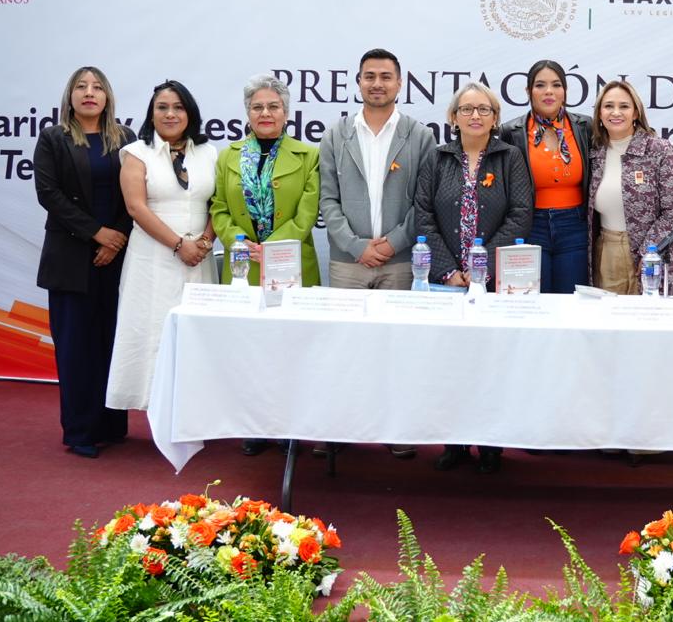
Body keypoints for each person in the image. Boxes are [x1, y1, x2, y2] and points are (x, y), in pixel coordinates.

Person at [319, 48, 434, 460]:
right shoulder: (336, 135)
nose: (378, 84)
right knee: (345, 347)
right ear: (358, 82)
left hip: (401, 262)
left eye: (386, 77)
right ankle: (341, 430)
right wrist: (355, 245)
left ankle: (397, 429)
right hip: (348, 261)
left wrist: (392, 243)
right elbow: (327, 200)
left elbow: (425, 201)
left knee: (397, 348)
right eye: (370, 77)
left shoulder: (419, 135)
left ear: (400, 83)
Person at [414, 81, 532, 474]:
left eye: (484, 109)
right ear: (453, 117)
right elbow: (424, 216)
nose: (476, 116)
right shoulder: (437, 157)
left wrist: (482, 270)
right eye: (467, 109)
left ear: (496, 118)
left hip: (493, 281)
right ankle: (455, 441)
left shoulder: (510, 157)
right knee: (449, 363)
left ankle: (491, 442)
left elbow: (520, 214)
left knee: (493, 361)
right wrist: (449, 271)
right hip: (445, 281)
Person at [211, 74, 321, 457]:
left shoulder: (309, 155)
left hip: (290, 265)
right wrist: (239, 242)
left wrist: (270, 248)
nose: (265, 112)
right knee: (250, 348)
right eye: (257, 106)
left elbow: (307, 215)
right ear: (247, 113)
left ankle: (292, 424)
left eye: (273, 106)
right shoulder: (227, 157)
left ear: (286, 112)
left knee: (292, 346)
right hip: (242, 266)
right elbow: (219, 210)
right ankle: (255, 424)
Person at [33, 67, 136, 458]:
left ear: (108, 96)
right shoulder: (53, 138)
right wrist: (98, 234)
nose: (89, 92)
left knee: (110, 342)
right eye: (81, 86)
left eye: (97, 87)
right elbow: (49, 195)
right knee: (76, 347)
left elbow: (137, 195)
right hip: (70, 258)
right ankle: (79, 431)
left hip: (117, 257)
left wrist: (117, 236)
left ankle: (111, 424)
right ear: (70, 96)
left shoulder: (125, 139)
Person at [106, 80, 217, 411]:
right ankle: (154, 410)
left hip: (200, 258)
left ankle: (192, 412)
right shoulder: (135, 153)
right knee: (151, 330)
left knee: (195, 334)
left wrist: (206, 241)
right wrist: (178, 244)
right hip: (152, 258)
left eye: (178, 107)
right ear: (151, 114)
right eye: (162, 107)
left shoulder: (209, 153)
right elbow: (136, 208)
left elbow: (219, 203)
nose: (170, 114)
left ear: (190, 113)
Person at [499, 59, 593, 293]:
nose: (549, 91)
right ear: (529, 91)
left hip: (575, 226)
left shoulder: (585, 127)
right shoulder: (512, 132)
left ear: (565, 91)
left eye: (556, 85)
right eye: (540, 85)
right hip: (531, 226)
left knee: (570, 302)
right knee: (532, 301)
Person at [588, 80, 673, 297]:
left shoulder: (659, 150)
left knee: (649, 323)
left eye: (624, 106)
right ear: (599, 114)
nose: (616, 112)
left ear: (635, 113)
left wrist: (650, 251)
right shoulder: (594, 152)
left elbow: (672, 211)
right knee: (609, 322)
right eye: (608, 106)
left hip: (653, 254)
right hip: (607, 250)